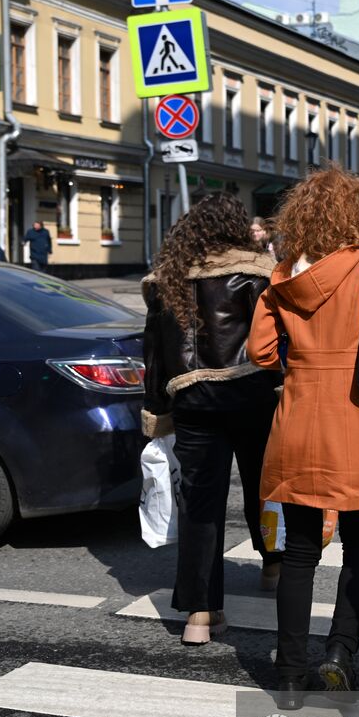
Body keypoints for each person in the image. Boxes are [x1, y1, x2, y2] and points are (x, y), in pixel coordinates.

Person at [248, 165, 359, 709]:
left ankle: (289, 676)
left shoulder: (282, 275)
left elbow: (260, 352)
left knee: (299, 552)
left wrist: (300, 361)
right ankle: (340, 652)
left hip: (298, 418)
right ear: (354, 215)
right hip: (355, 418)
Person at [143, 194, 284, 644]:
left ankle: (200, 614)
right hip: (252, 394)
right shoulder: (256, 272)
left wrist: (157, 411)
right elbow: (274, 342)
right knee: (265, 485)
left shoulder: (168, 277)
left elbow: (153, 355)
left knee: (200, 504)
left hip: (193, 401)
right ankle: (274, 566)